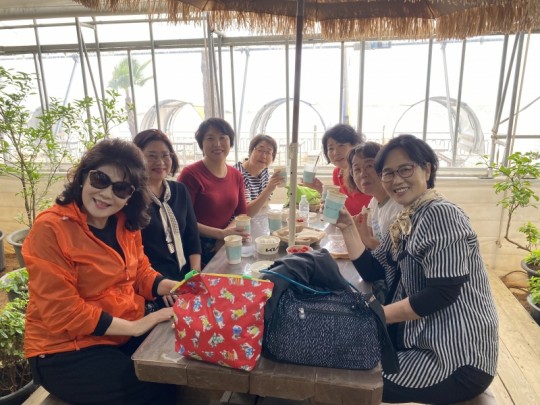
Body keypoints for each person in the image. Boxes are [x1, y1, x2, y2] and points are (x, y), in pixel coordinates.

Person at [336, 134, 498, 403]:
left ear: (427, 169)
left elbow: (441, 293)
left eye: (405, 169)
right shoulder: (408, 217)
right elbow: (374, 270)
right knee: (342, 355)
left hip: (455, 358)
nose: (396, 180)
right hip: (421, 340)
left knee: (349, 379)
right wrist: (347, 227)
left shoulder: (441, 214)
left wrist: (376, 315)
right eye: (388, 173)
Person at [22, 138, 179, 405]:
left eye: (121, 188)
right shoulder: (51, 229)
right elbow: (63, 312)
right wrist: (138, 325)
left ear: (131, 195)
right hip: (65, 351)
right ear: (83, 176)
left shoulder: (124, 222)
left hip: (116, 336)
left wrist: (175, 286)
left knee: (172, 365)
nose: (107, 194)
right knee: (152, 387)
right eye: (100, 179)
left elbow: (140, 272)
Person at [133, 129, 202, 310]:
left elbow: (192, 236)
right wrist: (159, 286)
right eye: (152, 156)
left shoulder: (179, 190)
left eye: (165, 155)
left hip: (186, 276)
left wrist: (194, 273)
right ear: (137, 159)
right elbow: (135, 255)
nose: (160, 162)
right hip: (155, 286)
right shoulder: (132, 198)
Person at [178, 117, 249, 266]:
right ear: (201, 144)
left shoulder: (236, 175)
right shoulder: (190, 174)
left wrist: (226, 235)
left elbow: (241, 213)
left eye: (223, 138)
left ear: (230, 142)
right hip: (196, 248)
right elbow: (182, 220)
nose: (217, 144)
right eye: (210, 138)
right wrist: (220, 234)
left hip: (225, 241)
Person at [304, 124, 371, 215]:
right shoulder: (337, 173)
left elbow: (364, 208)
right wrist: (321, 189)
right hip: (349, 222)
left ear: (355, 145)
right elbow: (342, 206)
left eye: (341, 145)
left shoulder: (364, 173)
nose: (336, 152)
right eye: (331, 148)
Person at [347, 142, 402, 250]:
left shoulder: (398, 206)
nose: (363, 174)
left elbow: (395, 255)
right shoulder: (374, 202)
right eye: (357, 169)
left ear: (385, 168)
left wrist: (366, 239)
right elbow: (369, 232)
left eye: (369, 166)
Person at [234, 134, 285, 216]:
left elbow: (267, 200)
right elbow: (246, 213)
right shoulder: (238, 174)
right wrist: (268, 189)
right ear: (251, 151)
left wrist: (259, 202)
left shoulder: (264, 170)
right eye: (260, 150)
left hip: (257, 218)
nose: (263, 156)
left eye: (268, 152)